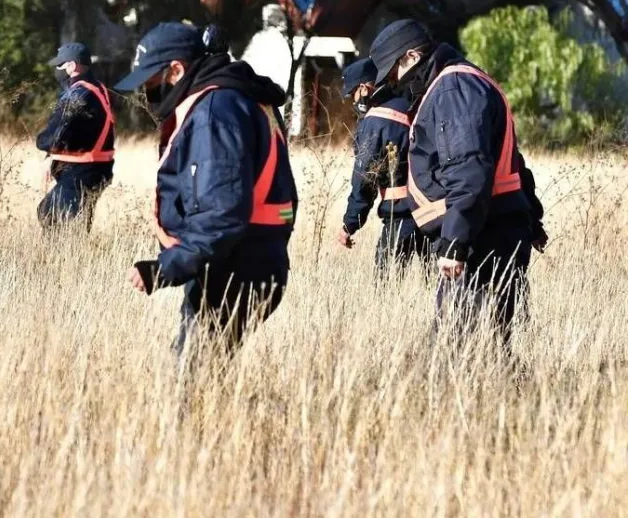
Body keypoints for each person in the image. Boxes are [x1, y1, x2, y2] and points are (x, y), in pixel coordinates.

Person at [117, 22, 298, 359]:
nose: (146, 91)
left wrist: (164, 269)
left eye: (150, 80)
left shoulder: (215, 113)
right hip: (250, 258)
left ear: (176, 70)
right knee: (205, 373)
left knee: (194, 381)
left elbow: (221, 214)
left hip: (234, 266)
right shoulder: (236, 97)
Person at [369, 19, 548, 349]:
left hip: (482, 239)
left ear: (410, 56)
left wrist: (454, 243)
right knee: (492, 343)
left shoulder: (453, 90)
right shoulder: (461, 83)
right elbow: (512, 164)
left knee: (459, 349)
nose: (394, 83)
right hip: (493, 230)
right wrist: (531, 219)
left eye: (392, 72)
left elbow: (470, 170)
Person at [337, 58, 427, 273]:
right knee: (437, 286)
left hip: (401, 215)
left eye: (353, 94)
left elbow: (365, 178)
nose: (353, 101)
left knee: (386, 285)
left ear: (364, 88)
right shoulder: (411, 106)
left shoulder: (376, 120)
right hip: (433, 213)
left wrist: (351, 223)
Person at [36, 42, 115, 231]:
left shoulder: (79, 93)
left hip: (82, 170)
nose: (57, 70)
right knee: (51, 213)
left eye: (60, 65)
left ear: (72, 65)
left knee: (58, 219)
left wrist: (42, 143)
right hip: (92, 168)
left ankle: (65, 259)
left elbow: (56, 132)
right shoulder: (95, 87)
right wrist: (52, 158)